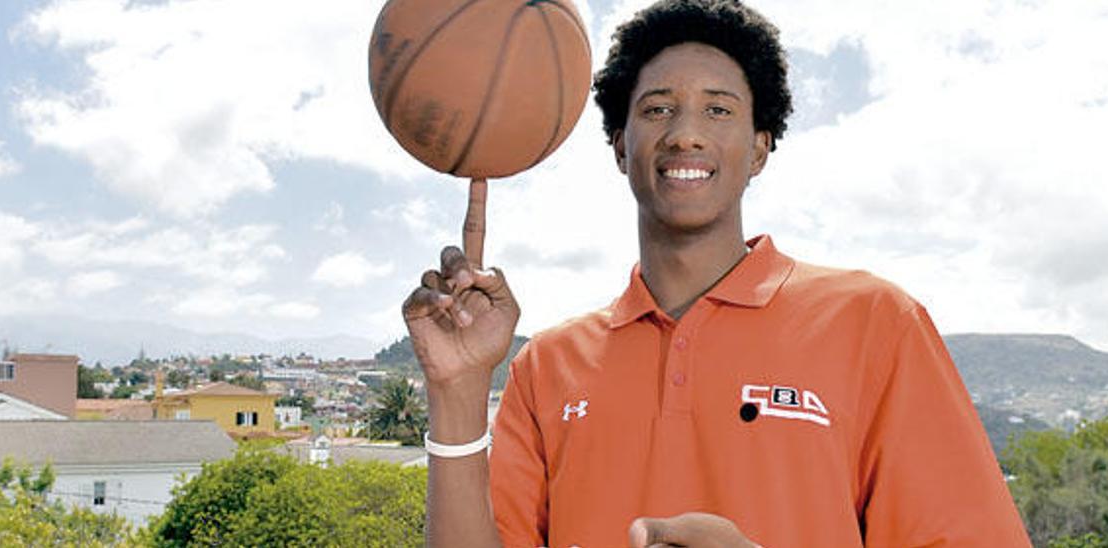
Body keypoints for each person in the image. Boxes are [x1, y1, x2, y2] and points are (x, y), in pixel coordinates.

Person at [401, 0, 1032, 546]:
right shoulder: (546, 366)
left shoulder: (877, 323)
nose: (685, 134)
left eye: (719, 111)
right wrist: (456, 392)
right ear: (620, 146)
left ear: (760, 147)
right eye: (656, 110)